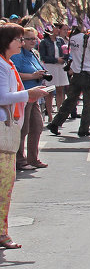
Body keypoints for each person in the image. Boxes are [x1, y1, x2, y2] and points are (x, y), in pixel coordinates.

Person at [1, 23, 55, 249]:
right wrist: (28, 93)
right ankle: (2, 233)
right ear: (8, 42)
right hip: (2, 131)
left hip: (8, 128)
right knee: (4, 185)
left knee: (6, 185)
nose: (22, 43)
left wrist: (28, 96)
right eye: (18, 39)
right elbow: (3, 96)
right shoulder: (2, 66)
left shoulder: (8, 64)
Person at [47, 26, 90, 137]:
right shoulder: (87, 38)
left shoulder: (72, 38)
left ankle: (55, 123)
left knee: (70, 101)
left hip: (76, 73)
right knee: (89, 103)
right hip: (87, 73)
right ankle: (84, 129)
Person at [12, 28, 49, 170]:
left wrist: (40, 75)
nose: (33, 41)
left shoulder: (33, 53)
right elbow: (16, 74)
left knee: (37, 126)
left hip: (35, 95)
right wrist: (33, 76)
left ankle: (33, 158)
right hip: (24, 95)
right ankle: (20, 160)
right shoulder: (18, 55)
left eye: (34, 38)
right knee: (24, 128)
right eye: (29, 39)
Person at [38, 23, 67, 117]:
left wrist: (64, 59)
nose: (58, 30)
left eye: (59, 28)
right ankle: (50, 114)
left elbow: (66, 52)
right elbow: (43, 57)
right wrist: (56, 60)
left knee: (60, 90)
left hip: (60, 67)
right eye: (56, 28)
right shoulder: (44, 42)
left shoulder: (60, 40)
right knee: (49, 92)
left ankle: (60, 113)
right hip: (50, 66)